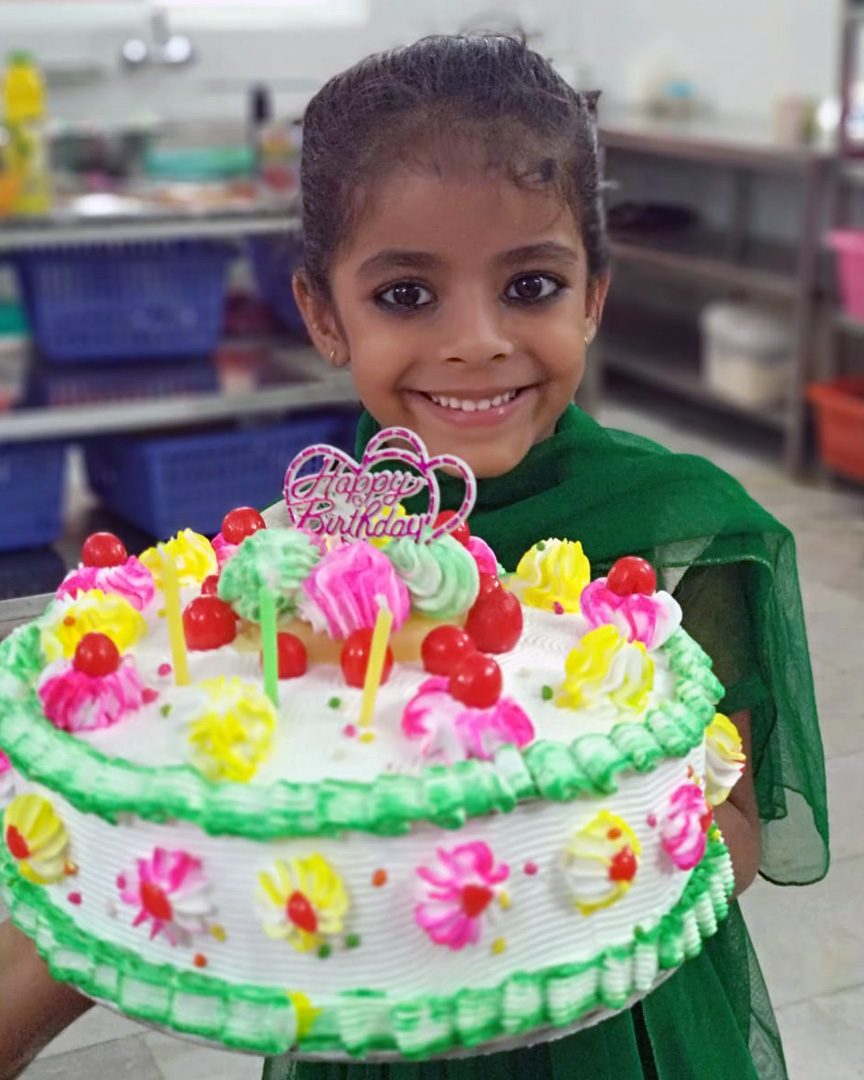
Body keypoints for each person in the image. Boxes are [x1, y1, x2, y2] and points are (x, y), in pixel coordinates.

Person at [0, 33, 828, 1080]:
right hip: (370, 1028)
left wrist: (556, 877)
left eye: (532, 284)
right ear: (323, 314)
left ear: (593, 297)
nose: (477, 339)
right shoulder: (297, 555)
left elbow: (733, 825)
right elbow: (188, 819)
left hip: (617, 1030)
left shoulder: (682, 530)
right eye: (405, 295)